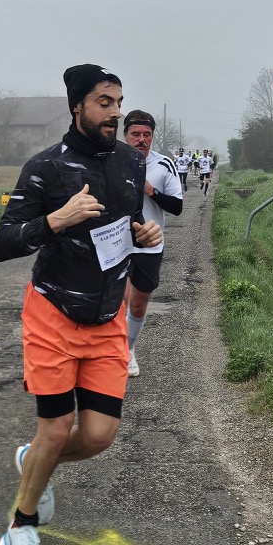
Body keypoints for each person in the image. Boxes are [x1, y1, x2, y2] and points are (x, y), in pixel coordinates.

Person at [0, 64, 163, 545]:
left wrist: (143, 233)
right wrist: (54, 220)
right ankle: (20, 527)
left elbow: (125, 222)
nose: (115, 112)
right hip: (53, 314)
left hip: (106, 316)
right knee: (57, 427)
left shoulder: (131, 162)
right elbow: (2, 243)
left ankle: (33, 462)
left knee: (98, 436)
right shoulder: (45, 167)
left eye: (118, 102)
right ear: (77, 107)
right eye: (104, 103)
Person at [122, 110, 183, 377]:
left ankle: (129, 350)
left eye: (147, 134)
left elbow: (177, 207)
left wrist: (150, 190)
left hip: (150, 244)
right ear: (125, 135)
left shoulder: (164, 164)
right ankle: (115, 353)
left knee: (138, 304)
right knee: (118, 302)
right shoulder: (111, 161)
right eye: (135, 134)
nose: (142, 139)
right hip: (116, 244)